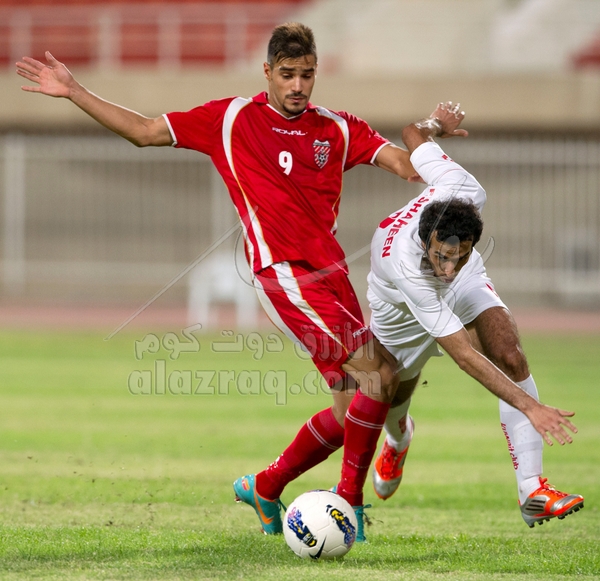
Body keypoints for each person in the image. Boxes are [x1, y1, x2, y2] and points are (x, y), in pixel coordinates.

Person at [367, 115, 584, 528]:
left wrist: (435, 124)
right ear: (425, 240)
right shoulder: (405, 263)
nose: (448, 268)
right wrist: (531, 407)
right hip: (398, 309)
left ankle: (532, 490)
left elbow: (412, 134)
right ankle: (398, 438)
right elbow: (464, 356)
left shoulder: (465, 190)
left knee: (510, 355)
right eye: (442, 256)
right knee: (392, 393)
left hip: (466, 286)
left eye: (461, 254)